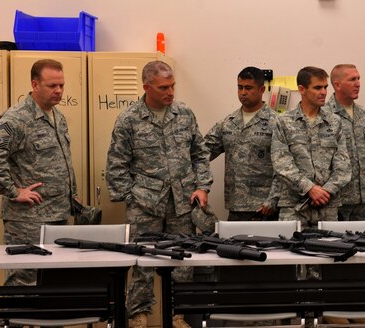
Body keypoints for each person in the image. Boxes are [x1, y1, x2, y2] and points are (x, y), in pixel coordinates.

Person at [106, 60, 212, 328]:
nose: (170, 92)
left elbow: (200, 154)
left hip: (182, 201)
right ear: (146, 87)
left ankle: (177, 314)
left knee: (183, 261)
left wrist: (202, 186)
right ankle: (139, 315)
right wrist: (131, 197)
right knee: (142, 261)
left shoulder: (185, 114)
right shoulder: (129, 119)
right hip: (145, 204)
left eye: (173, 86)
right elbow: (116, 164)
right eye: (164, 87)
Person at [0, 59, 76, 287]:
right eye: (52, 86)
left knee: (53, 284)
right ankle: (11, 322)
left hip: (58, 215)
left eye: (61, 85)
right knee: (22, 282)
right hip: (27, 220)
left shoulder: (57, 117)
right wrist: (13, 191)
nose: (58, 91)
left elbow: (59, 162)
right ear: (35, 84)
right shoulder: (16, 118)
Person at [271, 66, 350, 228]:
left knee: (329, 250)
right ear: (302, 89)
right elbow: (281, 163)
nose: (323, 92)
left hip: (327, 207)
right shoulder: (284, 121)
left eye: (325, 87)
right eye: (317, 88)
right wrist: (309, 189)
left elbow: (343, 165)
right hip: (294, 207)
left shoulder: (335, 122)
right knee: (290, 252)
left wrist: (325, 191)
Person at [205, 67, 279, 221]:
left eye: (249, 88)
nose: (243, 92)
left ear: (261, 89)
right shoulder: (228, 123)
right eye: (240, 87)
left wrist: (273, 199)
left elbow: (284, 167)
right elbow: (201, 153)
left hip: (265, 208)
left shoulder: (277, 123)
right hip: (236, 206)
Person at [324, 64, 365, 221]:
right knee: (335, 244)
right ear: (337, 85)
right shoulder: (324, 114)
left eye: (358, 78)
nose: (358, 83)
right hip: (336, 200)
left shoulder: (362, 114)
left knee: (363, 242)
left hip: (362, 200)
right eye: (352, 79)